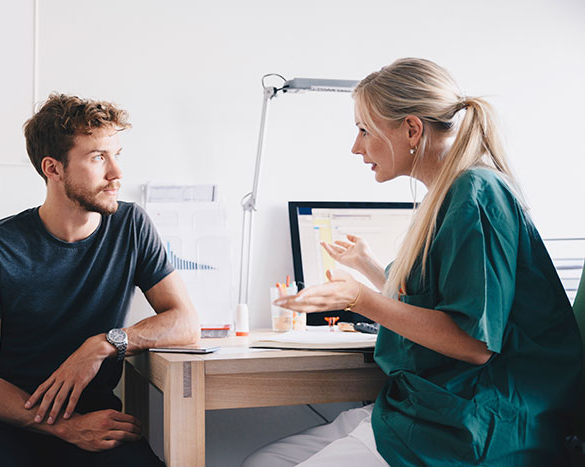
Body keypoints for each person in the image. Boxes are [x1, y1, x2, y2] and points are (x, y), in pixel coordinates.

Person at [244, 58, 582, 466]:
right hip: (432, 408)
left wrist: (359, 299)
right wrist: (369, 267)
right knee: (263, 461)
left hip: (478, 423)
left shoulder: (475, 193)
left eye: (364, 130)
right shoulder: (448, 194)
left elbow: (472, 343)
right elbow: (441, 295)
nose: (356, 146)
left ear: (411, 129)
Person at [0, 94, 200, 466]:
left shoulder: (131, 226)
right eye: (98, 157)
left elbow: (186, 323)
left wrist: (103, 344)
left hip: (95, 419)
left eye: (117, 154)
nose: (117, 173)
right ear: (53, 168)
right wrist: (65, 426)